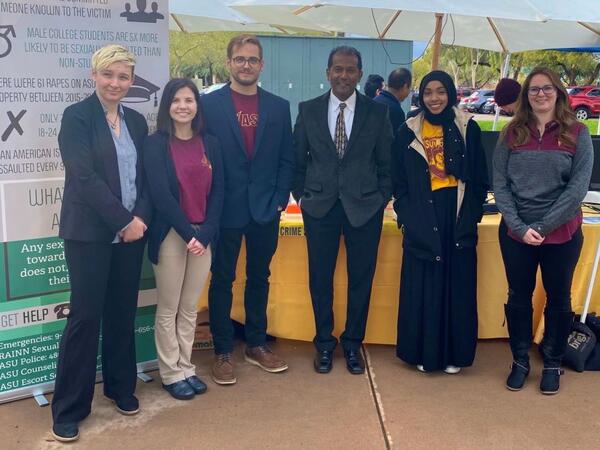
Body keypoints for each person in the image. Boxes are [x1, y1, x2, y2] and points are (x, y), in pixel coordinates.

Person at [51, 44, 151, 442]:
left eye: (123, 76)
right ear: (94, 76)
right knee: (86, 316)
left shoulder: (138, 122)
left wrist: (139, 219)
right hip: (90, 233)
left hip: (133, 234)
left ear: (131, 81)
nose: (116, 83)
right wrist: (123, 220)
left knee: (122, 313)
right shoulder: (76, 117)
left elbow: (146, 175)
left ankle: (120, 387)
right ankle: (70, 407)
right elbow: (83, 176)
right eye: (108, 74)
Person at [199, 35, 295, 385]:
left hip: (265, 211)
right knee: (222, 279)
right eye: (239, 59)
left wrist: (280, 199)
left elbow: (288, 157)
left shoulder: (279, 107)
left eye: (252, 59)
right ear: (229, 63)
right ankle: (223, 350)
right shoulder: (208, 106)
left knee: (260, 278)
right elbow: (200, 157)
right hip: (223, 209)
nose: (246, 65)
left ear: (261, 65)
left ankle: (256, 344)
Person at [493, 67, 593, 394]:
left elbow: (577, 189)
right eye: (534, 89)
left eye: (546, 88)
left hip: (562, 234)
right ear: (526, 95)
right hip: (516, 234)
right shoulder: (511, 134)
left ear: (558, 93)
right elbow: (500, 185)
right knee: (518, 297)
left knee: (559, 299)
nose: (540, 94)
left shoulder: (578, 132)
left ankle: (552, 361)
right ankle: (520, 359)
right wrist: (521, 228)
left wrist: (542, 226)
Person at [293, 46, 393, 375]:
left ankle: (352, 343)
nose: (343, 75)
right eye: (337, 69)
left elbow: (386, 163)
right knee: (319, 278)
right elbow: (297, 161)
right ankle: (324, 342)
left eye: (350, 70)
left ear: (360, 74)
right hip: (319, 207)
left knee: (361, 279)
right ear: (328, 73)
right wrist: (304, 197)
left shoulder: (377, 113)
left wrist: (380, 197)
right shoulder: (308, 110)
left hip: (365, 208)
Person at [392, 70, 489, 374]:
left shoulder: (467, 127)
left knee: (455, 285)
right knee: (424, 286)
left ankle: (453, 354)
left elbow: (478, 181)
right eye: (428, 92)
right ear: (420, 96)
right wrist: (408, 217)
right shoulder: (408, 130)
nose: (434, 98)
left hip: (456, 214)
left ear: (450, 94)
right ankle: (422, 352)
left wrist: (469, 218)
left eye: (441, 91)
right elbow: (399, 182)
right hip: (422, 214)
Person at [143, 79, 224, 400]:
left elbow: (220, 191)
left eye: (189, 100)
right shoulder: (154, 144)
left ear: (197, 106)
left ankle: (187, 366)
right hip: (171, 236)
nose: (183, 106)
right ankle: (170, 372)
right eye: (176, 100)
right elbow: (160, 195)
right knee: (169, 307)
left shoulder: (211, 144)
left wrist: (204, 234)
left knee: (189, 307)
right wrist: (190, 234)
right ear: (167, 106)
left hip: (203, 238)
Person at [374, 68, 412, 137]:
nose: (409, 92)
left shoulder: (374, 101)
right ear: (405, 86)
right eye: (409, 88)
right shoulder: (396, 111)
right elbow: (398, 143)